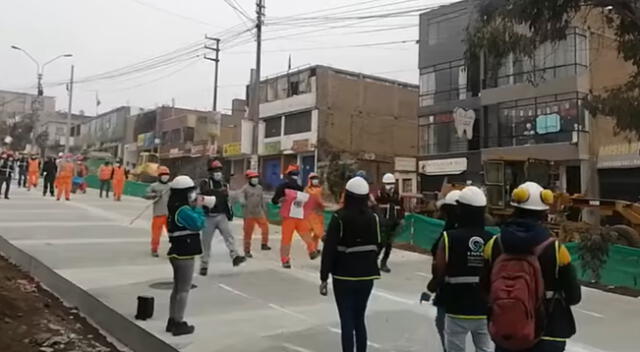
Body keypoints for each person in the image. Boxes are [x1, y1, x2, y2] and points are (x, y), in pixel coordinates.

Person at [484, 182, 581, 352]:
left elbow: (484, 288)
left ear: (514, 208)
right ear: (544, 212)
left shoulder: (493, 245)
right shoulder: (556, 249)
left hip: (508, 330)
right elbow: (574, 296)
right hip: (549, 331)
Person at [320, 177, 381, 352]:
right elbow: (378, 243)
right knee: (359, 318)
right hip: (367, 275)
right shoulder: (373, 218)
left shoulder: (339, 217)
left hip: (343, 276)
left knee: (346, 319)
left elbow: (329, 249)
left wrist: (324, 277)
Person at [431, 186, 493, 352]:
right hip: (483, 307)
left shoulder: (449, 237)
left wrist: (433, 286)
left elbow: (439, 269)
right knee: (484, 348)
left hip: (456, 305)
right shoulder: (492, 239)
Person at [165, 175, 207, 336]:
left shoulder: (174, 206)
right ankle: (179, 323)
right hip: (185, 254)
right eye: (191, 191)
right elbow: (198, 224)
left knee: (177, 289)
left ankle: (172, 320)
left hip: (176, 252)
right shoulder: (183, 210)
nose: (193, 193)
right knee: (183, 290)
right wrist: (199, 207)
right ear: (185, 192)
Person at [428, 189, 462, 352]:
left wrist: (433, 285)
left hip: (448, 291)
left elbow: (438, 254)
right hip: (473, 296)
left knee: (445, 325)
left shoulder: (449, 234)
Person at [199, 160, 245, 275]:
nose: (218, 173)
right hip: (208, 217)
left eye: (219, 170)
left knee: (229, 237)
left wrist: (230, 213)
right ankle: (204, 265)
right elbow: (205, 193)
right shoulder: (205, 183)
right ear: (210, 172)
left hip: (221, 215)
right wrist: (220, 193)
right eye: (215, 171)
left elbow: (228, 200)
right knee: (206, 242)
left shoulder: (225, 185)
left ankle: (235, 256)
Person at [272, 164, 319, 269]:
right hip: (288, 217)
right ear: (288, 176)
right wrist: (280, 200)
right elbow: (274, 200)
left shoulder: (301, 187)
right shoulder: (282, 187)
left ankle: (312, 251)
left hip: (299, 215)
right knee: (286, 239)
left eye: (296, 174)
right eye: (293, 174)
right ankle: (285, 260)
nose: (295, 176)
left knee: (306, 234)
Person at [375, 173, 404, 273]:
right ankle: (374, 261)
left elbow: (401, 208)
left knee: (389, 245)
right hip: (383, 222)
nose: (390, 186)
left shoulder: (398, 195)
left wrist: (401, 219)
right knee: (381, 243)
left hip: (394, 222)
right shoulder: (379, 194)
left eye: (392, 183)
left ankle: (383, 263)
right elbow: (375, 207)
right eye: (387, 184)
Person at [239, 170, 270, 258]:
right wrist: (242, 202)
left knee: (265, 227)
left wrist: (265, 208)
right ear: (249, 179)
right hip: (249, 213)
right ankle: (247, 250)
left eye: (256, 178)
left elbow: (262, 199)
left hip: (259, 212)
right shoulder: (245, 188)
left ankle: (264, 244)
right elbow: (240, 197)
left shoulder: (260, 188)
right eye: (253, 178)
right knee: (248, 233)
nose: (255, 179)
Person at [145, 166, 172, 257]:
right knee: (156, 234)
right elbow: (145, 194)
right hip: (158, 214)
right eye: (163, 175)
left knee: (172, 233)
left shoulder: (170, 186)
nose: (165, 177)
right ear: (159, 176)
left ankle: (174, 248)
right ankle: (154, 249)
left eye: (167, 175)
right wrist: (155, 195)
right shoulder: (154, 186)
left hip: (169, 214)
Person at [305, 172, 325, 248]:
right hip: (311, 213)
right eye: (313, 179)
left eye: (316, 178)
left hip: (319, 212)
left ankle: (314, 248)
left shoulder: (320, 189)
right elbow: (316, 198)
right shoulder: (308, 189)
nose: (315, 180)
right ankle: (312, 248)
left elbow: (322, 199)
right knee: (316, 230)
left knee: (316, 233)